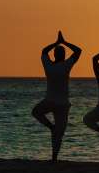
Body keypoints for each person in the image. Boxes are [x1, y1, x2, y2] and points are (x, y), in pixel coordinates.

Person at [32, 31, 82, 162]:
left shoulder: (49, 65)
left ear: (54, 55)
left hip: (52, 101)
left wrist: (56, 43)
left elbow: (43, 51)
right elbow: (78, 51)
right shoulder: (66, 65)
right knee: (58, 133)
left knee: (37, 113)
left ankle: (51, 134)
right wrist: (63, 42)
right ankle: (54, 156)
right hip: (61, 104)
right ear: (63, 55)